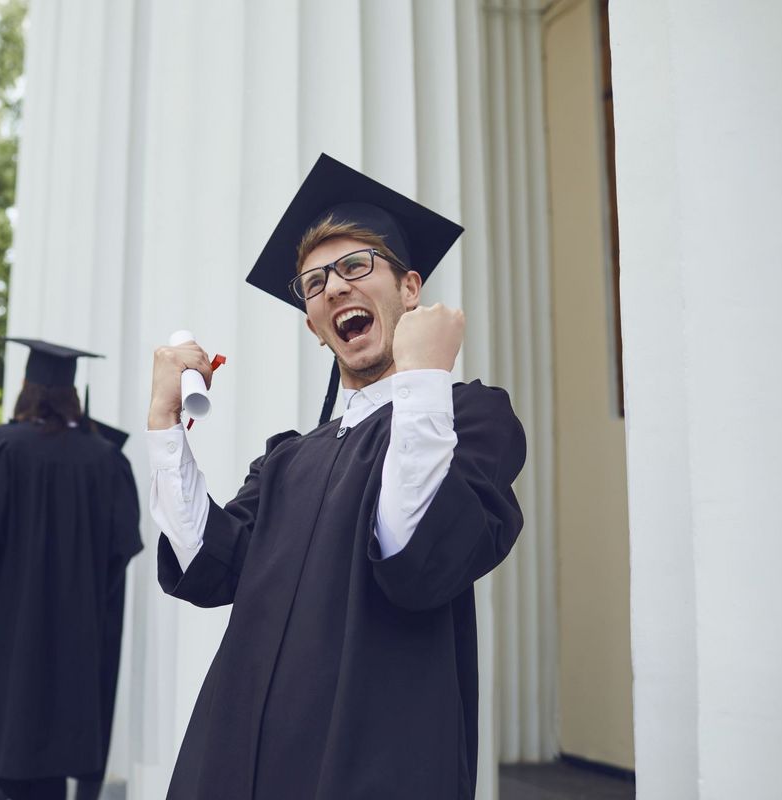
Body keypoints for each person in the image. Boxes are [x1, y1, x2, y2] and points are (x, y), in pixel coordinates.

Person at [147, 154, 527, 799]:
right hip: (245, 757)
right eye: (315, 283)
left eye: (356, 266)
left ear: (410, 288)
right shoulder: (290, 458)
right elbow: (209, 565)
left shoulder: (470, 417)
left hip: (373, 757)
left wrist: (425, 378)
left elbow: (419, 560)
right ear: (313, 326)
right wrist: (163, 428)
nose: (335, 288)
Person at [0, 339, 142, 800]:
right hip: (80, 634)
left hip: (14, 631)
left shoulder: (2, 447)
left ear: (26, 389)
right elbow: (121, 548)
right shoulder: (106, 460)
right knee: (55, 756)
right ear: (71, 393)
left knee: (15, 757)